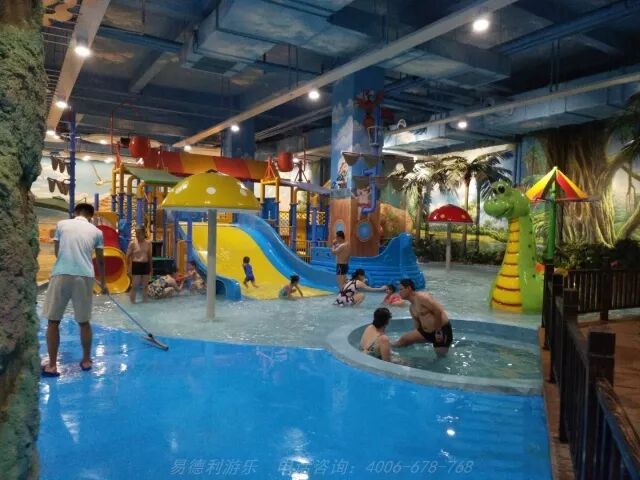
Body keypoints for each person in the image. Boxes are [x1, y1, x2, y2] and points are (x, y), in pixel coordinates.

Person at [41, 203, 107, 377]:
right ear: (91, 216)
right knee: (84, 322)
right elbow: (100, 261)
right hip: (85, 276)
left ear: (75, 212)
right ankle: (86, 360)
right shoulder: (97, 232)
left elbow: (57, 252)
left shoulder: (62, 224)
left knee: (53, 322)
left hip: (61, 273)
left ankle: (52, 365)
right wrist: (104, 283)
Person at [393, 278, 453, 357]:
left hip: (441, 330)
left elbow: (438, 311)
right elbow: (417, 326)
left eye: (401, 289)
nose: (399, 292)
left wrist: (438, 331)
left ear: (409, 288)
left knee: (440, 356)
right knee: (404, 340)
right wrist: (415, 338)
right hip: (426, 332)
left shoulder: (422, 297)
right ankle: (387, 348)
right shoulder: (412, 308)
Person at [126, 227, 153, 303]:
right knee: (135, 286)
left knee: (145, 286)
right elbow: (127, 256)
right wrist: (128, 269)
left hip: (145, 265)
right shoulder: (132, 243)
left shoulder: (148, 243)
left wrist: (151, 269)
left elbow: (150, 257)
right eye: (136, 233)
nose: (137, 235)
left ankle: (145, 302)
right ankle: (132, 303)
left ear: (143, 233)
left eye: (139, 233)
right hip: (136, 265)